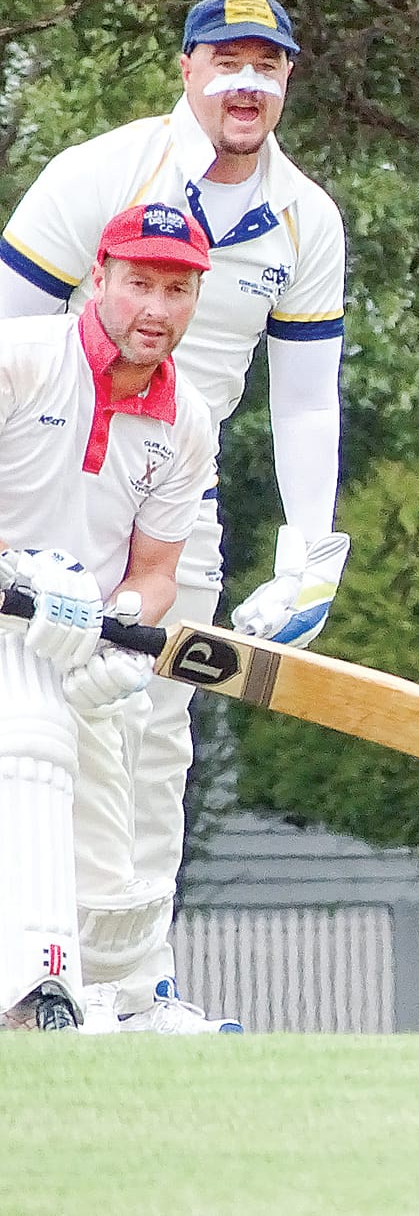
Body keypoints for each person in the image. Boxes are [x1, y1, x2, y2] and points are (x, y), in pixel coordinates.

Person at [0, 0, 348, 1032]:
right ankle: (40, 971)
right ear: (187, 68)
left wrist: (307, 552)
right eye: (226, 60)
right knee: (36, 738)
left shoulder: (306, 218)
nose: (246, 82)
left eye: (268, 64)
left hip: (173, 482)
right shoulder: (101, 173)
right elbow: (16, 341)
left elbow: (305, 393)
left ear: (287, 80)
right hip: (47, 477)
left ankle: (133, 987)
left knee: (152, 737)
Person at [0, 204, 218, 1031]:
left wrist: (117, 626)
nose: (155, 309)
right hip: (10, 621)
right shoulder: (21, 358)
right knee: (22, 757)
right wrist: (26, 581)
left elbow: (157, 572)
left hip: (71, 643)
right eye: (138, 284)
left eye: (176, 289)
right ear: (100, 280)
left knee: (108, 868)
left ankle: (99, 1007)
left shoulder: (187, 421)